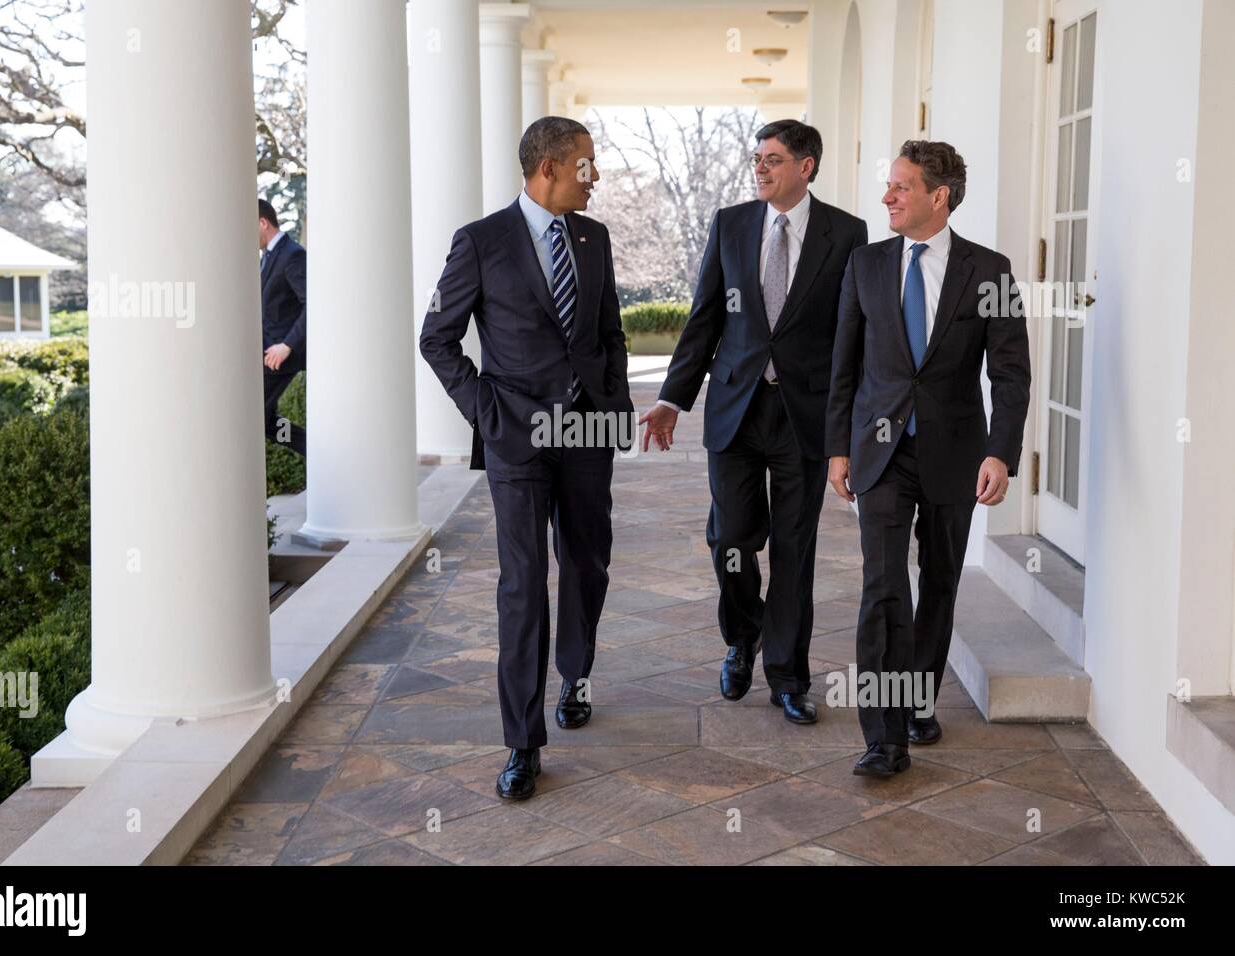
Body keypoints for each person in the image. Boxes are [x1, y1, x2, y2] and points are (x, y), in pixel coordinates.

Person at [419, 116, 633, 801]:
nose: (593, 177)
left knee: (588, 560)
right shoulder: (480, 243)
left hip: (588, 435)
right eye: (585, 166)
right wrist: (484, 411)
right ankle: (521, 741)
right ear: (549, 169)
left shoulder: (593, 238)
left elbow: (609, 334)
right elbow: (438, 338)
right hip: (516, 436)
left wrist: (616, 406)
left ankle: (575, 672)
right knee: (522, 582)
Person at [639, 119, 867, 725]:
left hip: (806, 417)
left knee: (795, 548)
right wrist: (672, 398)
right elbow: (704, 317)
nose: (760, 168)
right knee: (734, 538)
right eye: (757, 159)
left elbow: (852, 336)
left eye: (773, 159)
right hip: (736, 412)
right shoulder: (731, 224)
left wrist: (851, 426)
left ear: (806, 166)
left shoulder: (847, 234)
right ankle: (742, 638)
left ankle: (789, 676)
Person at [825, 140, 1031, 777]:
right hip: (880, 452)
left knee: (939, 583)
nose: (887, 197)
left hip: (956, 454)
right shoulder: (865, 264)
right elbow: (845, 366)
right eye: (889, 186)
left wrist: (1000, 452)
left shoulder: (991, 271)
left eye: (901, 187)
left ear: (937, 197)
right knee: (882, 589)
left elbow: (1012, 374)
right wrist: (837, 446)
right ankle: (884, 739)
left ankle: (918, 698)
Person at [258, 198, 307, 457]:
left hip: (280, 355)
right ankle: (318, 452)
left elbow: (312, 305)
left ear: (263, 222)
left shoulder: (293, 255)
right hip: (266, 355)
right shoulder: (267, 257)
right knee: (263, 421)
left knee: (253, 416)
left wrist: (287, 346)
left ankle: (320, 454)